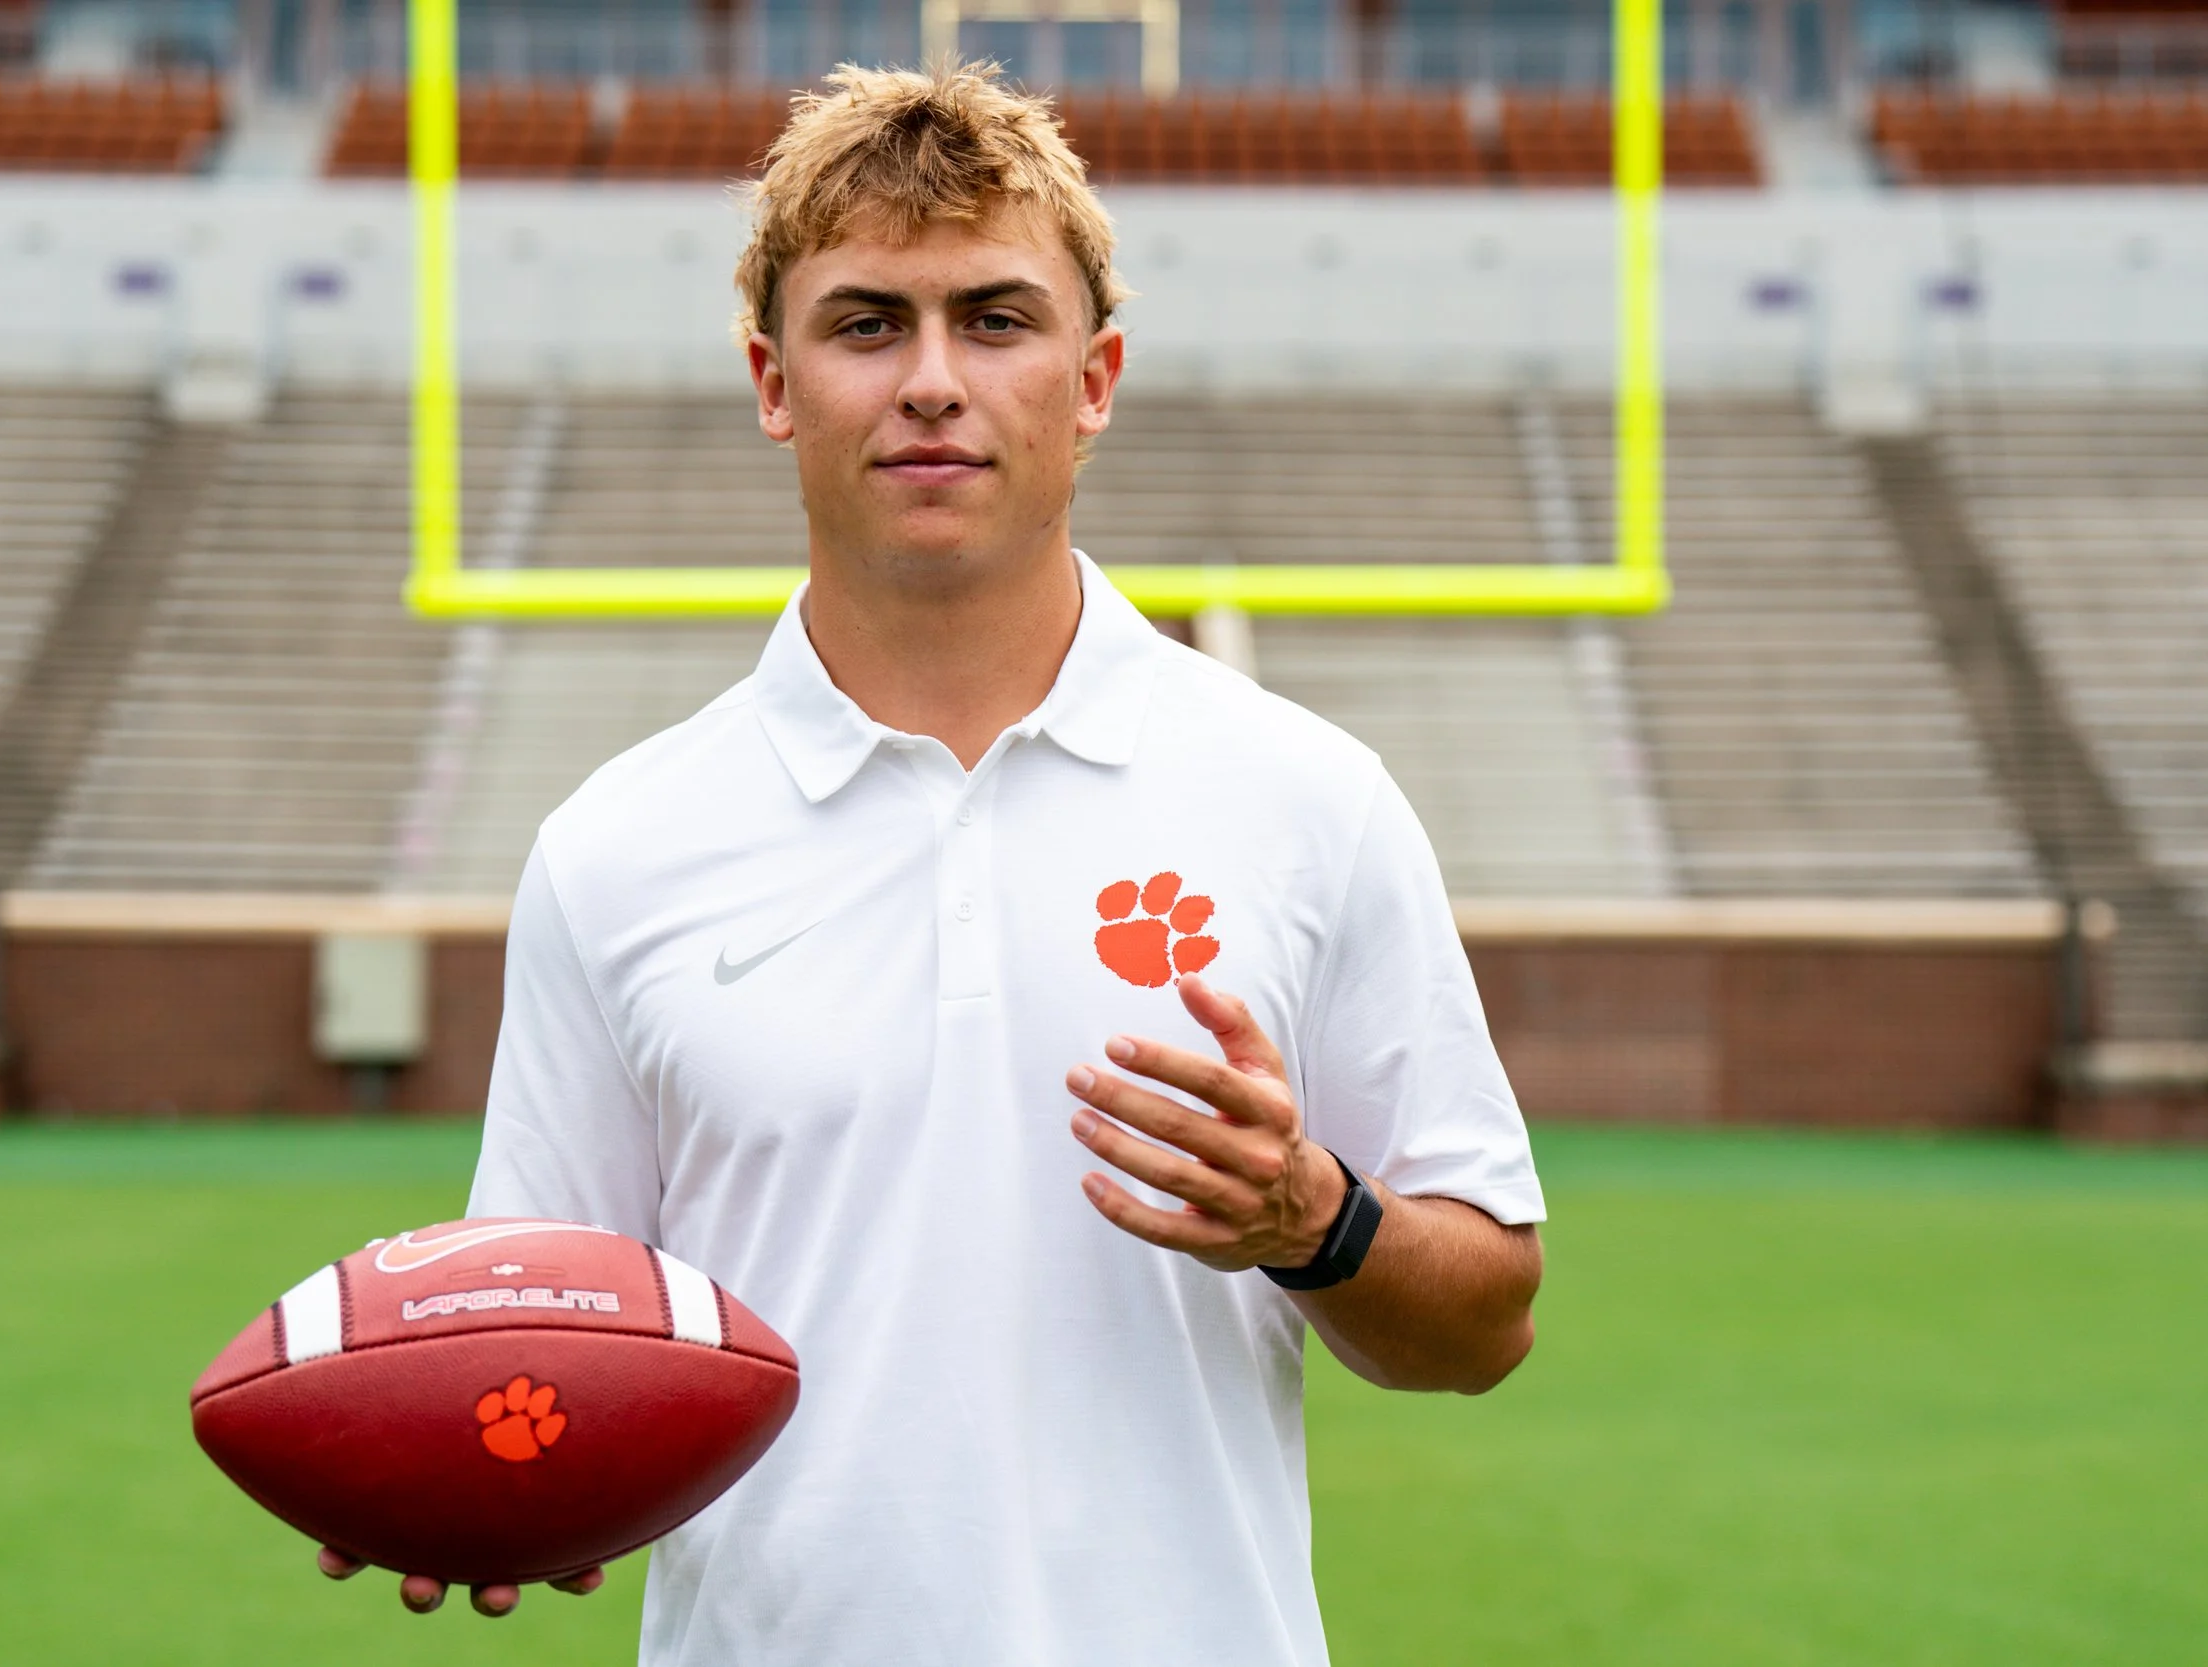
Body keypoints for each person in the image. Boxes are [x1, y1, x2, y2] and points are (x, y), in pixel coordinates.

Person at [322, 59, 1544, 1665]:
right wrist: (476, 1462)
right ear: (775, 381)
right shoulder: (619, 846)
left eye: (996, 318)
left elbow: (1487, 1320)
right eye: (866, 324)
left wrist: (1313, 1217)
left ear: (1094, 377)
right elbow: (553, 1328)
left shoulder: (1305, 795)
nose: (932, 381)